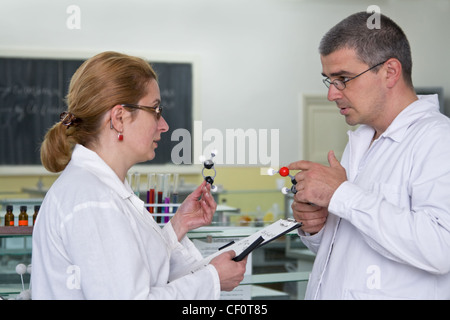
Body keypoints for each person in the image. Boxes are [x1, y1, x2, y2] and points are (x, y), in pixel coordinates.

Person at [32, 51, 247, 299]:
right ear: (119, 118)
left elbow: (132, 268)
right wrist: (212, 279)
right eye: (155, 109)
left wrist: (179, 225)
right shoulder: (93, 201)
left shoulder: (102, 188)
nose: (164, 124)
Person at [289, 12, 450, 299]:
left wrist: (341, 194)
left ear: (389, 72)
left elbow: (441, 249)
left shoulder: (437, 139)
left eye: (343, 78)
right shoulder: (362, 141)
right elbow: (353, 249)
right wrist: (318, 227)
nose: (332, 95)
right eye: (329, 80)